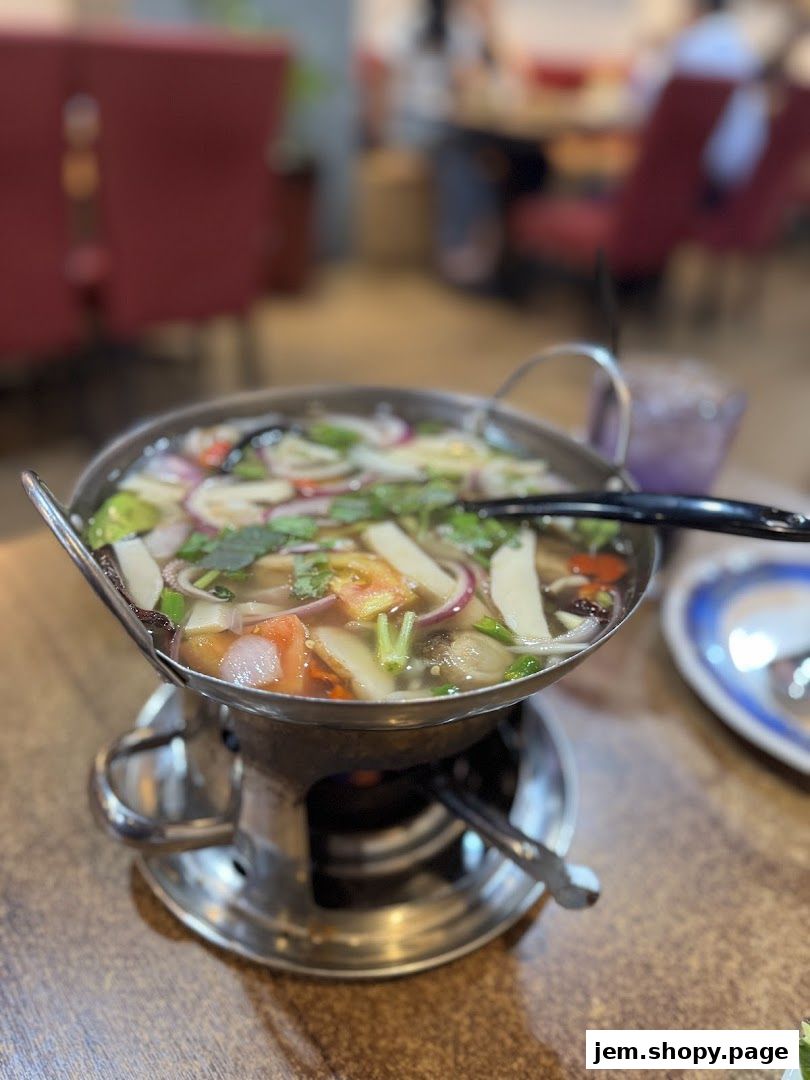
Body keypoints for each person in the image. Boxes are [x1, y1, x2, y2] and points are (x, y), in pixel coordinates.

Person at [635, 0, 769, 195]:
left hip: (690, 182)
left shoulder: (689, 44)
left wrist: (654, 49)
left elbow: (644, 99)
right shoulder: (745, 48)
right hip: (741, 181)